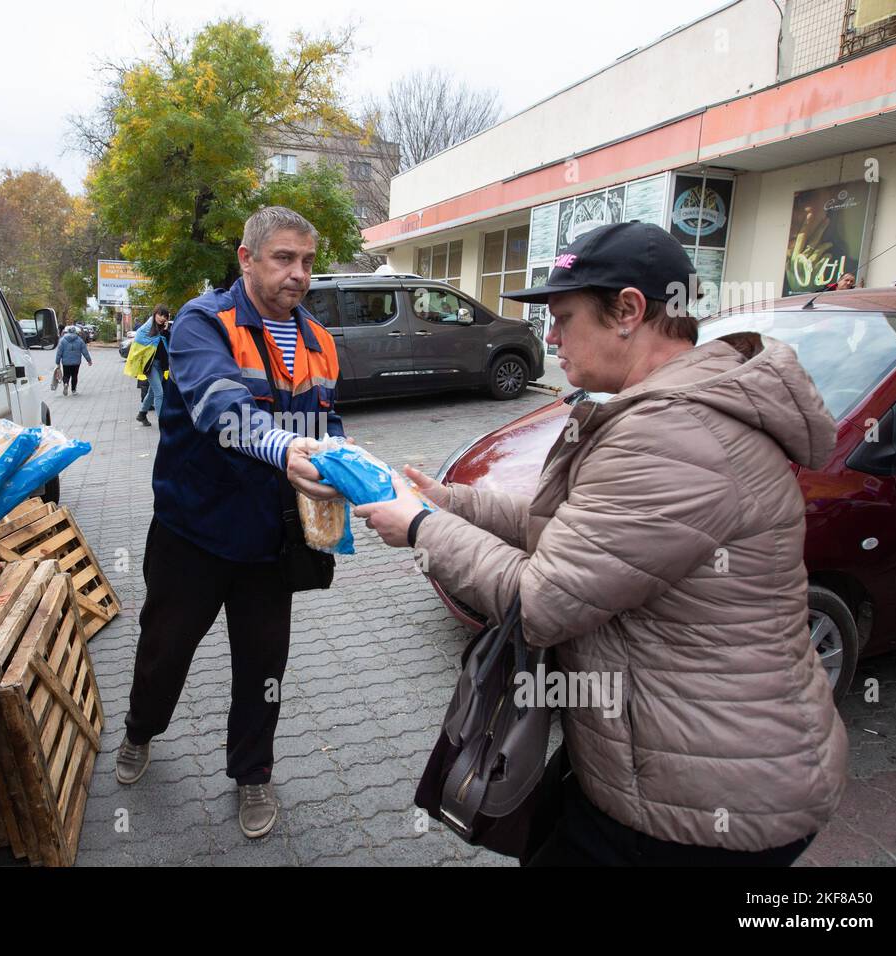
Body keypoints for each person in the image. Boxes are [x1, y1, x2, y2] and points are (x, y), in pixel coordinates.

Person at [355, 222, 848, 866]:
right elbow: (579, 537)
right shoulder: (668, 410)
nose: (549, 337)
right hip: (676, 766)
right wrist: (451, 502)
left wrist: (419, 528)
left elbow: (542, 602)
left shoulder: (672, 434)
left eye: (562, 317)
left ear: (629, 312)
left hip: (703, 802)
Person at [115, 207, 344, 839]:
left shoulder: (320, 340)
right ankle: (140, 730)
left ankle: (252, 772)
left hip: (272, 542)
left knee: (264, 665)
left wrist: (353, 475)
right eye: (282, 258)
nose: (298, 274)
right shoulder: (201, 323)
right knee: (165, 651)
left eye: (306, 261)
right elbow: (222, 408)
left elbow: (329, 425)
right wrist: (288, 452)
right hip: (194, 534)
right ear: (246, 259)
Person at [133, 305, 171, 426]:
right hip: (150, 365)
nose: (162, 318)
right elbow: (139, 340)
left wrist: (165, 330)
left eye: (164, 316)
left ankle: (142, 414)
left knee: (152, 392)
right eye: (160, 315)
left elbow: (167, 343)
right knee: (159, 393)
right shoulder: (147, 328)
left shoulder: (163, 328)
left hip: (161, 364)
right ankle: (162, 422)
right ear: (155, 314)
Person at [55, 323, 92, 395]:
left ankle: (66, 384)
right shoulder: (80, 340)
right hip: (76, 362)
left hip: (66, 362)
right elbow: (85, 351)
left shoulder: (62, 340)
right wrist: (89, 360)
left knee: (66, 375)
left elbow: (59, 352)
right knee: (74, 375)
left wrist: (57, 362)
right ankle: (73, 390)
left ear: (67, 332)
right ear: (75, 332)